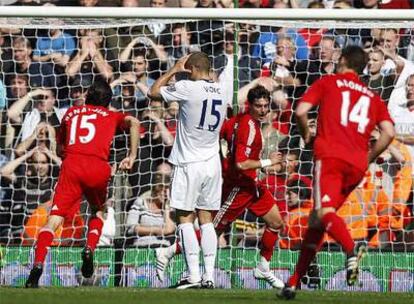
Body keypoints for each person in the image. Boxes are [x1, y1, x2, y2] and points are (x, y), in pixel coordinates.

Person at [280, 45, 395, 300]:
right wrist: (368, 157)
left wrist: (307, 134)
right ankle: (293, 282)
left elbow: (300, 111)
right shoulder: (372, 96)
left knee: (324, 212)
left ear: (342, 60)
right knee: (317, 221)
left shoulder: (328, 82)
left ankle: (352, 249)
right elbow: (389, 132)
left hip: (330, 157)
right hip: (356, 165)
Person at [155, 85, 285, 290]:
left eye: (266, 106)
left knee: (276, 223)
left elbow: (219, 137)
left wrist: (224, 156)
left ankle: (263, 267)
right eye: (258, 106)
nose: (263, 110)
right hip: (237, 187)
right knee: (213, 230)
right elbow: (241, 164)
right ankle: (169, 251)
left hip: (252, 185)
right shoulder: (249, 128)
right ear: (249, 106)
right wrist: (268, 162)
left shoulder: (235, 121)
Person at [25, 79, 140, 288]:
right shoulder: (112, 115)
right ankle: (89, 248)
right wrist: (131, 155)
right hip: (98, 167)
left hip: (72, 166)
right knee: (98, 211)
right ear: (107, 101)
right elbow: (134, 123)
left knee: (54, 220)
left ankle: (38, 264)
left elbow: (60, 148)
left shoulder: (70, 112)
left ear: (87, 95)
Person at [149, 52, 228, 289]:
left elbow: (153, 92)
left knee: (184, 218)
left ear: (192, 68)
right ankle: (210, 276)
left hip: (188, 162)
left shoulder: (186, 87)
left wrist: (174, 69)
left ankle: (193, 275)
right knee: (207, 221)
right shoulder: (223, 89)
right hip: (212, 162)